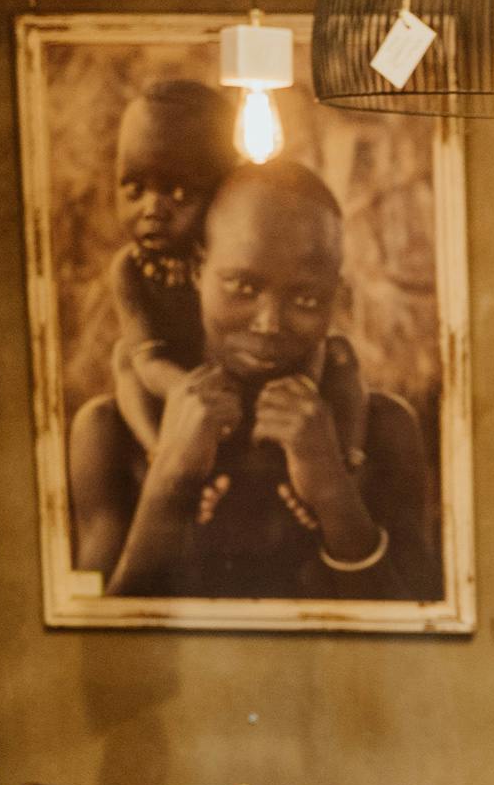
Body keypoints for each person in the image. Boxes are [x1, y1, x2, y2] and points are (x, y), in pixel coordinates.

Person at [64, 158, 443, 603]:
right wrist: (168, 483)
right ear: (197, 270)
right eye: (242, 288)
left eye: (305, 298)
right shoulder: (110, 434)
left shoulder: (382, 430)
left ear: (335, 296)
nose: (268, 323)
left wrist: (334, 492)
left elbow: (426, 644)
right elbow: (90, 650)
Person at [101, 81, 369, 476]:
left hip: (264, 380)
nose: (152, 209)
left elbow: (309, 342)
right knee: (124, 358)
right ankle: (160, 452)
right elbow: (148, 362)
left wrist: (304, 391)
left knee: (339, 355)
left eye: (178, 193)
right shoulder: (131, 270)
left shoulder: (242, 251)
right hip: (177, 378)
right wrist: (187, 393)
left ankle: (346, 458)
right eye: (134, 188)